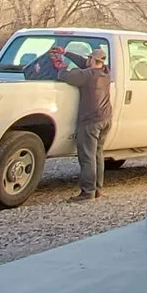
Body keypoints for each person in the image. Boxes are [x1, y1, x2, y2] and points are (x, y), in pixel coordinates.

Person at [57, 44, 115, 199]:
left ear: (92, 60)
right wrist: (67, 52)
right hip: (106, 118)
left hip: (90, 121)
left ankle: (87, 191)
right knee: (97, 154)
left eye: (89, 58)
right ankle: (97, 189)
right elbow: (84, 63)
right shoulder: (106, 72)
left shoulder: (87, 76)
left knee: (87, 156)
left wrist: (61, 67)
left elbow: (65, 77)